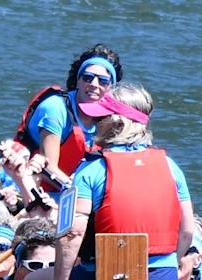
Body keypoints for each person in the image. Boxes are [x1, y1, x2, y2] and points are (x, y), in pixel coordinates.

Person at [21, 82, 196, 280]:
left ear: (117, 124)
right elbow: (187, 231)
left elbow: (71, 235)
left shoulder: (89, 171)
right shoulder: (172, 169)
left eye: (100, 118)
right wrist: (169, 268)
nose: (93, 123)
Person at [15, 44, 123, 193]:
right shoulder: (55, 108)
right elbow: (48, 168)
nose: (94, 84)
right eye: (87, 78)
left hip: (77, 186)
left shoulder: (113, 117)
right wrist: (82, 194)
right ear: (78, 80)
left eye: (103, 81)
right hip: (40, 186)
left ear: (112, 87)